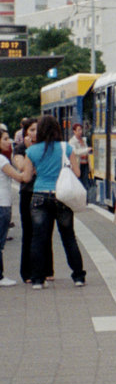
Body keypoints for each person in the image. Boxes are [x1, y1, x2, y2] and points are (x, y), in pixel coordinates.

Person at [20, 114, 86, 289]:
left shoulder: (31, 151)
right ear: (57, 129)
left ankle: (37, 280)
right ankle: (78, 276)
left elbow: (26, 177)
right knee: (69, 237)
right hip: (62, 197)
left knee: (38, 239)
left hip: (40, 197)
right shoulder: (66, 148)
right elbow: (77, 173)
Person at [13, 117, 45, 283]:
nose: (35, 133)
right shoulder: (20, 148)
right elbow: (22, 169)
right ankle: (27, 272)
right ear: (25, 133)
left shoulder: (45, 146)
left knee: (43, 232)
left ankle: (46, 269)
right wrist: (29, 150)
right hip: (27, 193)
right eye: (32, 130)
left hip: (43, 192)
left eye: (38, 129)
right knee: (29, 233)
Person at [0, 129, 27, 285]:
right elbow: (19, 177)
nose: (9, 142)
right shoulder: (2, 161)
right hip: (2, 204)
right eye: (4, 139)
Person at [69, 121, 92, 192]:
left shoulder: (84, 140)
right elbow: (75, 152)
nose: (80, 132)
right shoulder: (72, 141)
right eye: (78, 130)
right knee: (78, 182)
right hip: (78, 165)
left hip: (85, 164)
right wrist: (86, 150)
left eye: (81, 130)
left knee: (85, 182)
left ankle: (85, 198)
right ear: (74, 131)